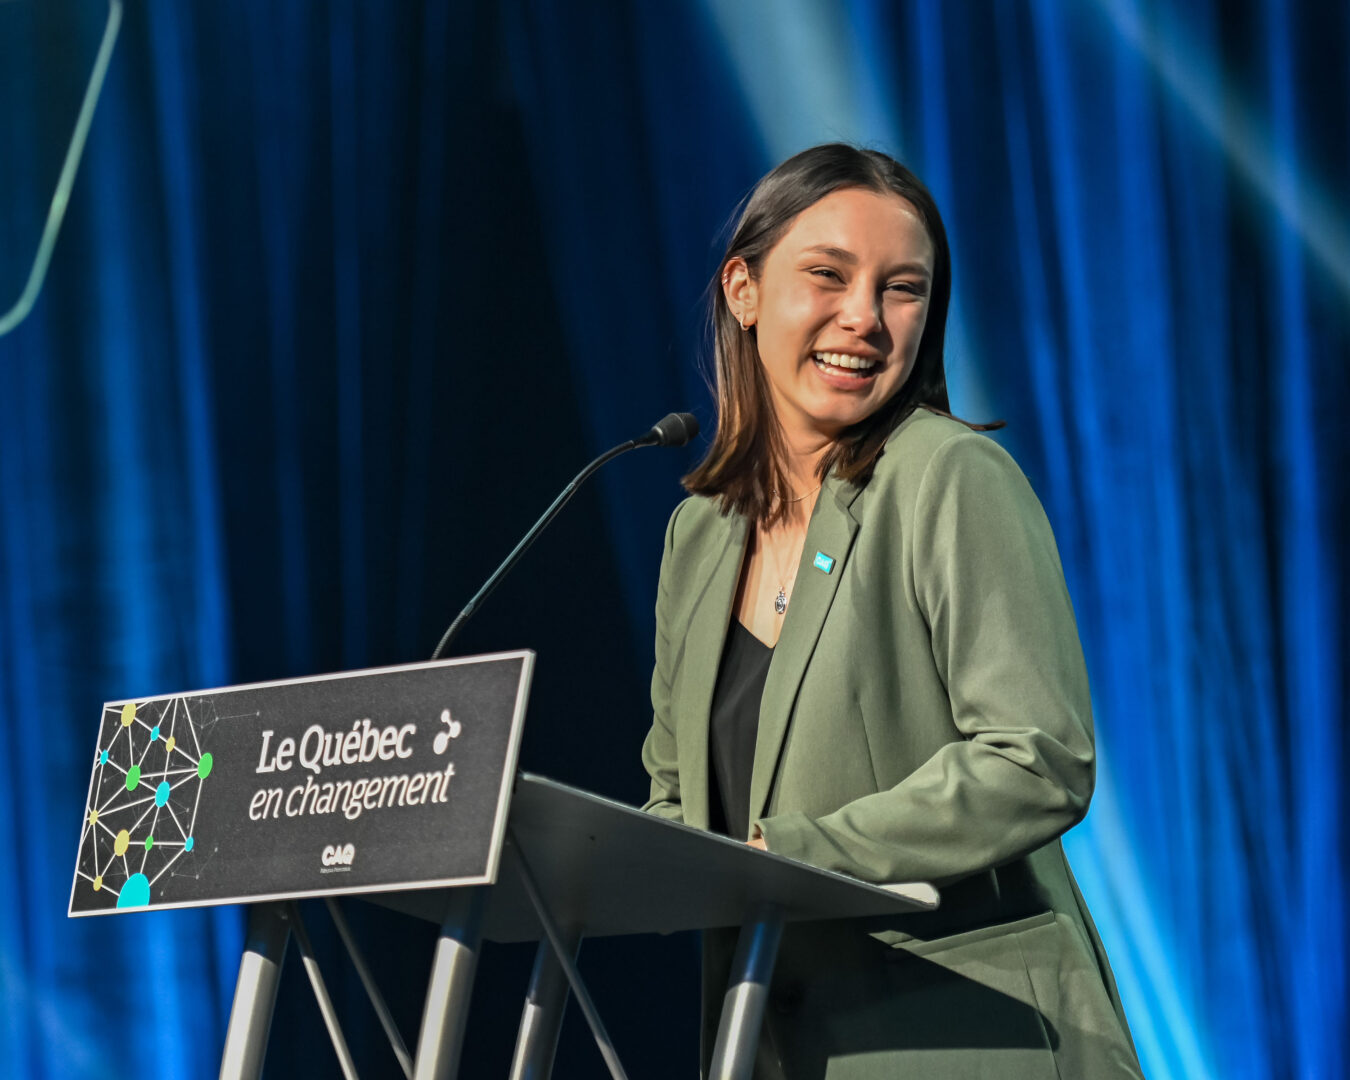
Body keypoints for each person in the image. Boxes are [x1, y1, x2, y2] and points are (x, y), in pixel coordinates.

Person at [640, 144, 1143, 1079]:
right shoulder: (697, 538)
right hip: (776, 1046)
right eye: (828, 275)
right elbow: (679, 806)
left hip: (971, 1042)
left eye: (902, 289)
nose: (864, 318)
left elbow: (1038, 756)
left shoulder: (949, 478)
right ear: (744, 289)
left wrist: (791, 857)